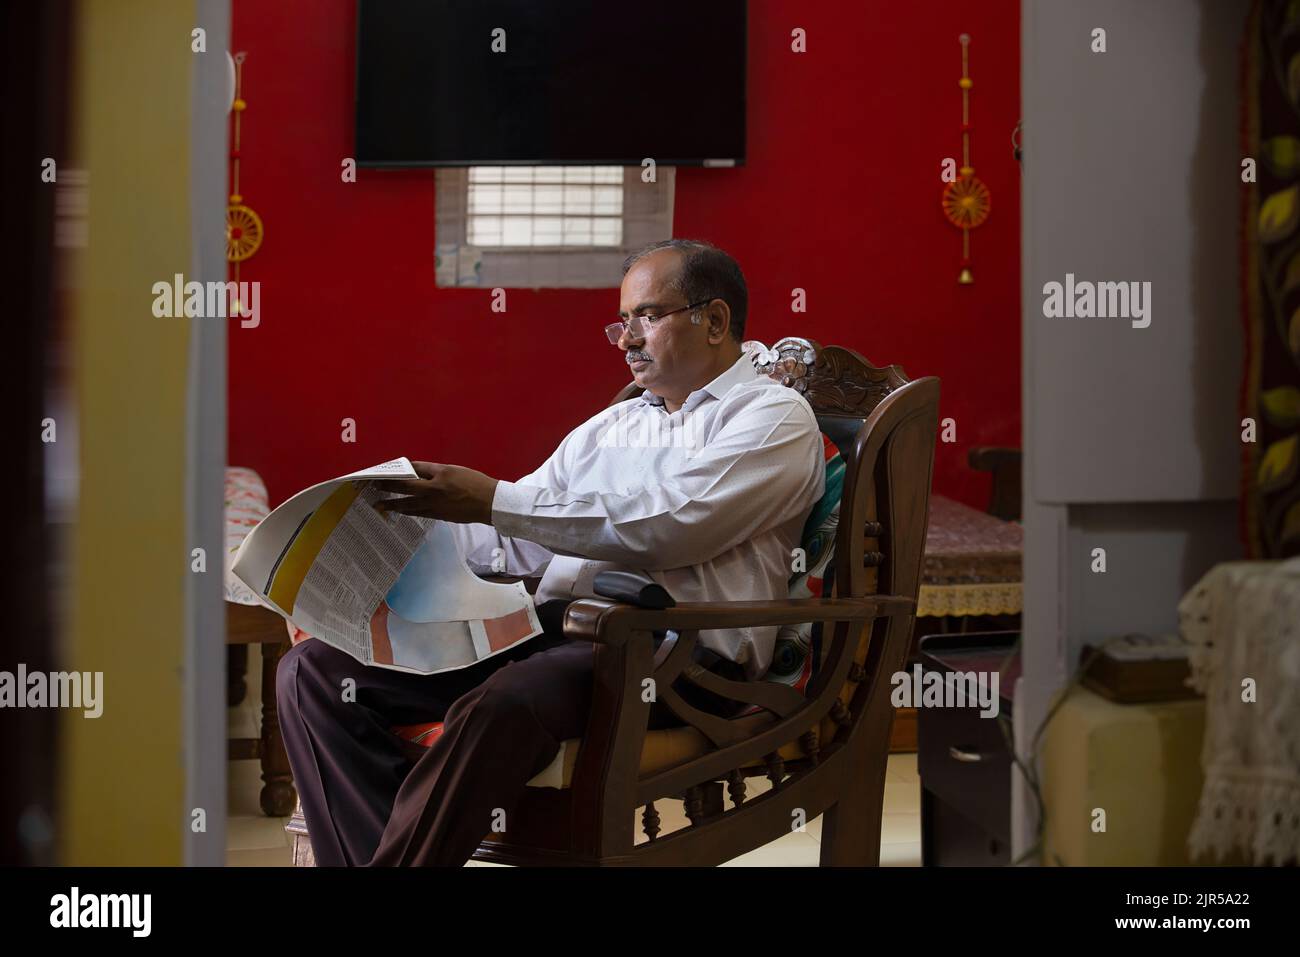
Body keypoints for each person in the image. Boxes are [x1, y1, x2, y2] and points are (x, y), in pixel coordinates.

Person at [276, 239, 825, 866]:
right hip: (560, 636)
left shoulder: (772, 417)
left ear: (716, 320)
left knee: (504, 702)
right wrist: (383, 541)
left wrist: (492, 500)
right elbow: (519, 534)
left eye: (647, 317)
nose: (626, 340)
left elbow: (674, 525)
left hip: (678, 655)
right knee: (314, 672)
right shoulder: (615, 425)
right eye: (622, 322)